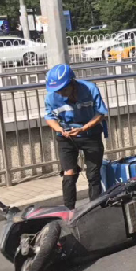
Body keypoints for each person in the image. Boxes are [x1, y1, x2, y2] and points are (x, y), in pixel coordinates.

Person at [44, 64, 109, 210]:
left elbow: (100, 113)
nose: (61, 93)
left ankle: (95, 209)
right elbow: (49, 117)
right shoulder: (51, 97)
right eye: (58, 91)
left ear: (72, 83)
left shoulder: (90, 89)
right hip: (66, 136)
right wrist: (59, 129)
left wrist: (85, 128)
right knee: (69, 173)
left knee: (93, 173)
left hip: (90, 133)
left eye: (64, 89)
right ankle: (69, 211)